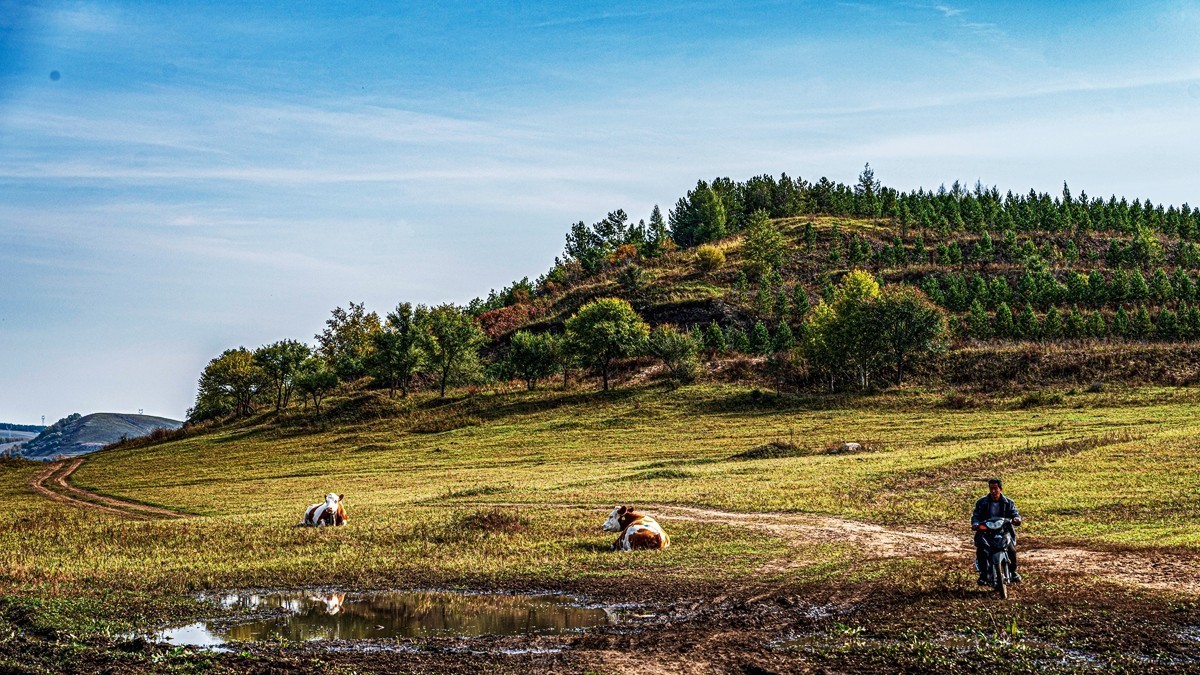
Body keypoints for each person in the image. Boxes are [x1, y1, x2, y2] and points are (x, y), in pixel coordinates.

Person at [971, 477, 1022, 584]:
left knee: (1012, 550)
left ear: (1000, 489)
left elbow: (1015, 514)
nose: (993, 491)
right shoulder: (981, 502)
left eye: (995, 488)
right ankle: (983, 575)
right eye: (991, 489)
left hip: (1003, 531)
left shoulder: (1008, 502)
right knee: (981, 551)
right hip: (986, 532)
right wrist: (975, 524)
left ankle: (1013, 572)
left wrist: (1016, 519)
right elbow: (976, 516)